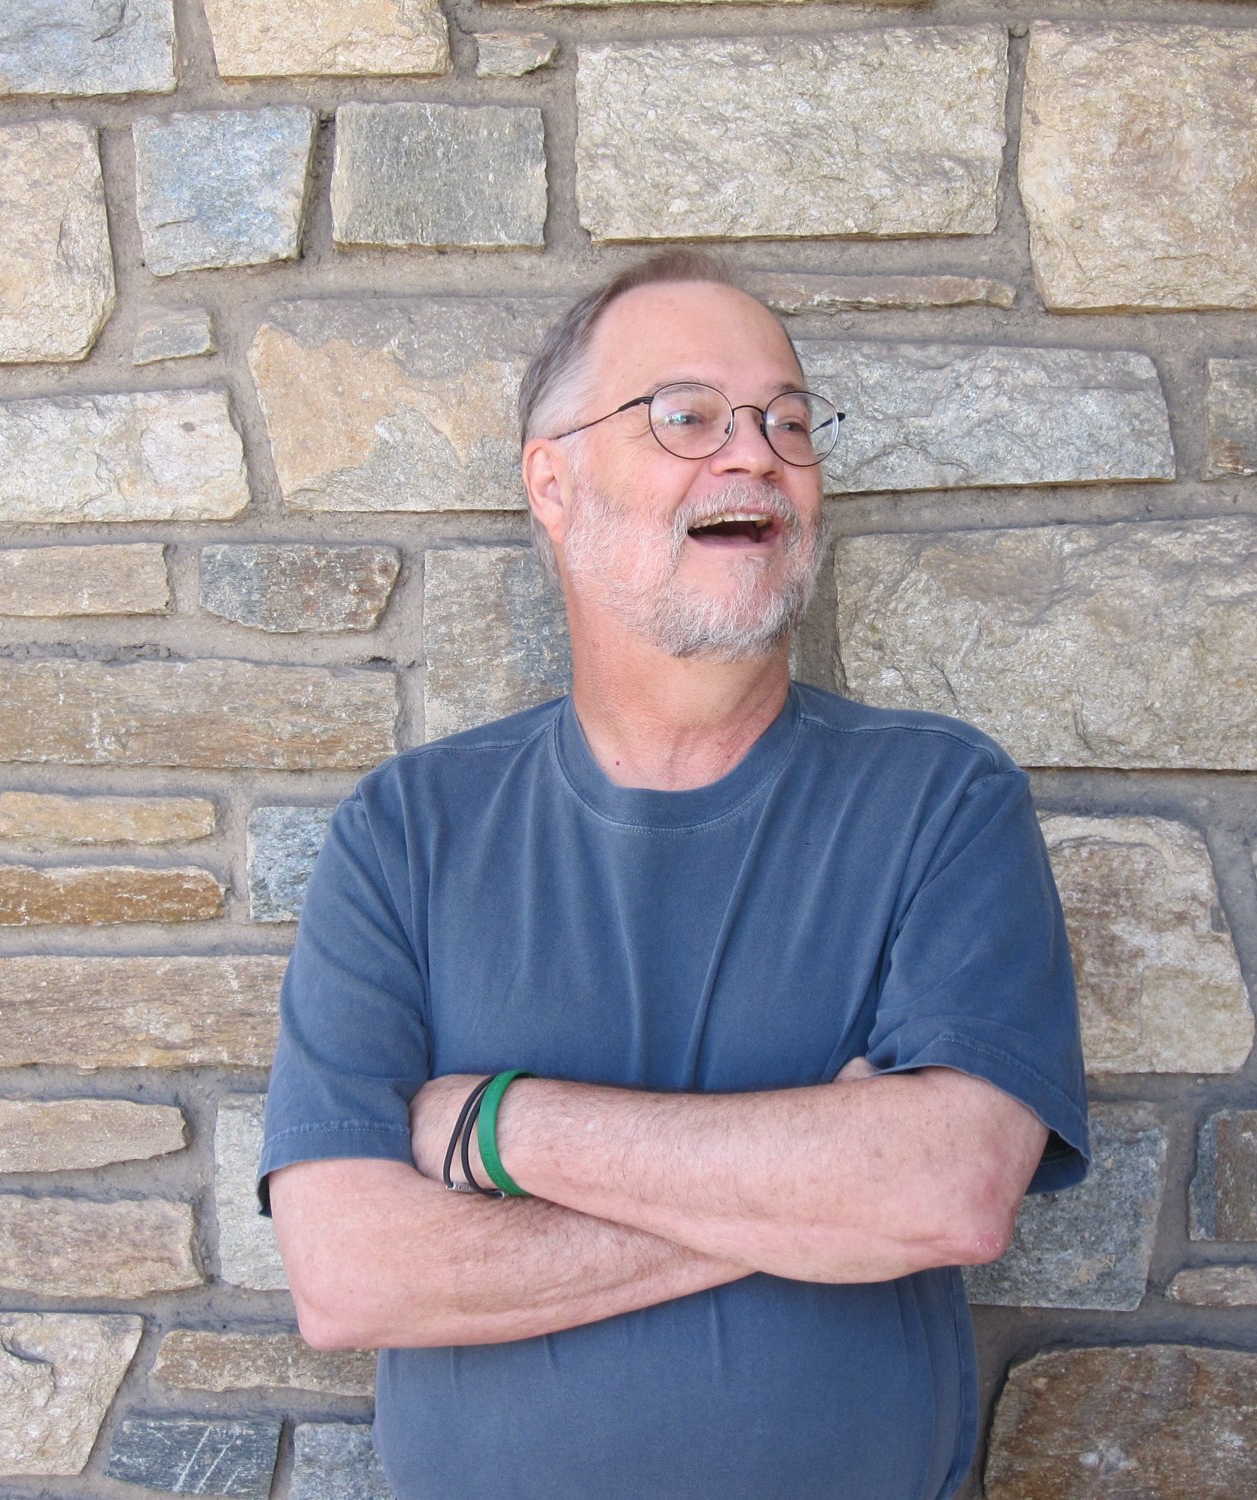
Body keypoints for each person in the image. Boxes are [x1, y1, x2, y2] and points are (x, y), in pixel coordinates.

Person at [259, 251, 1088, 1500]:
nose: (752, 453)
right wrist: (806, 1201)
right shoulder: (409, 829)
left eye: (787, 422)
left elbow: (947, 1191)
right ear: (554, 482)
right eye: (685, 415)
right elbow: (350, 1276)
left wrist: (498, 1127)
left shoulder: (939, 799)